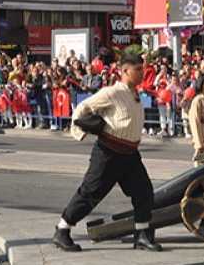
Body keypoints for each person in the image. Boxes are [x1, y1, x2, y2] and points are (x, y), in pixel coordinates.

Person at [52, 54, 161, 253]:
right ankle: (62, 230)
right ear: (126, 71)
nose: (142, 73)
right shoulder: (111, 92)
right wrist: (79, 131)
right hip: (108, 152)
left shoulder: (135, 93)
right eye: (138, 69)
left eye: (142, 69)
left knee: (144, 192)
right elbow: (84, 107)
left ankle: (142, 235)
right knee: (90, 193)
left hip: (130, 154)